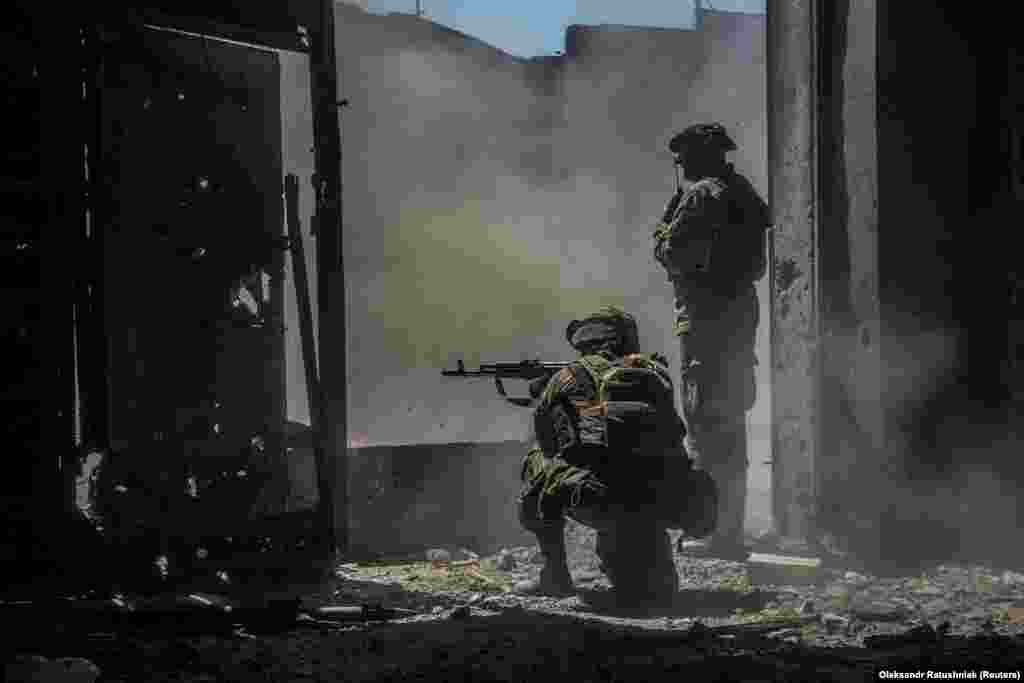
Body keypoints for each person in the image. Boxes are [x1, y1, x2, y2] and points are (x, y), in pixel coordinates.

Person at [515, 306, 716, 602]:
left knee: (537, 461)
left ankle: (554, 575)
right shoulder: (654, 372)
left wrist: (549, 396)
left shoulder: (567, 377)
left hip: (605, 500)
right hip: (669, 500)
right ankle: (654, 568)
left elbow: (548, 444)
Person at [652, 123, 771, 562]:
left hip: (707, 319)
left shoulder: (702, 194)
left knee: (707, 421)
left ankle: (716, 533)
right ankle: (730, 529)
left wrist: (664, 228)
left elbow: (674, 256)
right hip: (739, 314)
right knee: (732, 421)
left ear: (697, 156)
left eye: (682, 159)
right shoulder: (741, 191)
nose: (679, 168)